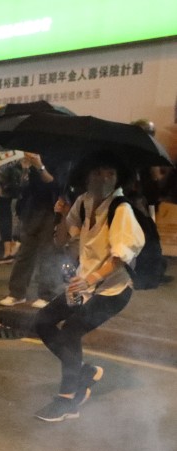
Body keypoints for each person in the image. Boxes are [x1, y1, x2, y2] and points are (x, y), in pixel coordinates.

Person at [32, 152, 145, 422]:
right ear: (86, 177)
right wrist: (59, 215)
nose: (104, 178)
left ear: (119, 178)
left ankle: (68, 399)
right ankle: (84, 371)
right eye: (98, 173)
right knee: (43, 321)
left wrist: (90, 279)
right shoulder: (83, 203)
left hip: (112, 292)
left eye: (110, 173)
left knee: (71, 331)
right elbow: (61, 241)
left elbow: (122, 256)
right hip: (84, 286)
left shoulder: (121, 210)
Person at [0, 153, 61, 307]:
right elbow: (18, 188)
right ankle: (17, 293)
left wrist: (40, 166)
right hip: (31, 208)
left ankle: (47, 295)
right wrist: (24, 170)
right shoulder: (28, 161)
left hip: (52, 209)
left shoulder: (61, 157)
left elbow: (56, 185)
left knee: (47, 253)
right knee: (25, 252)